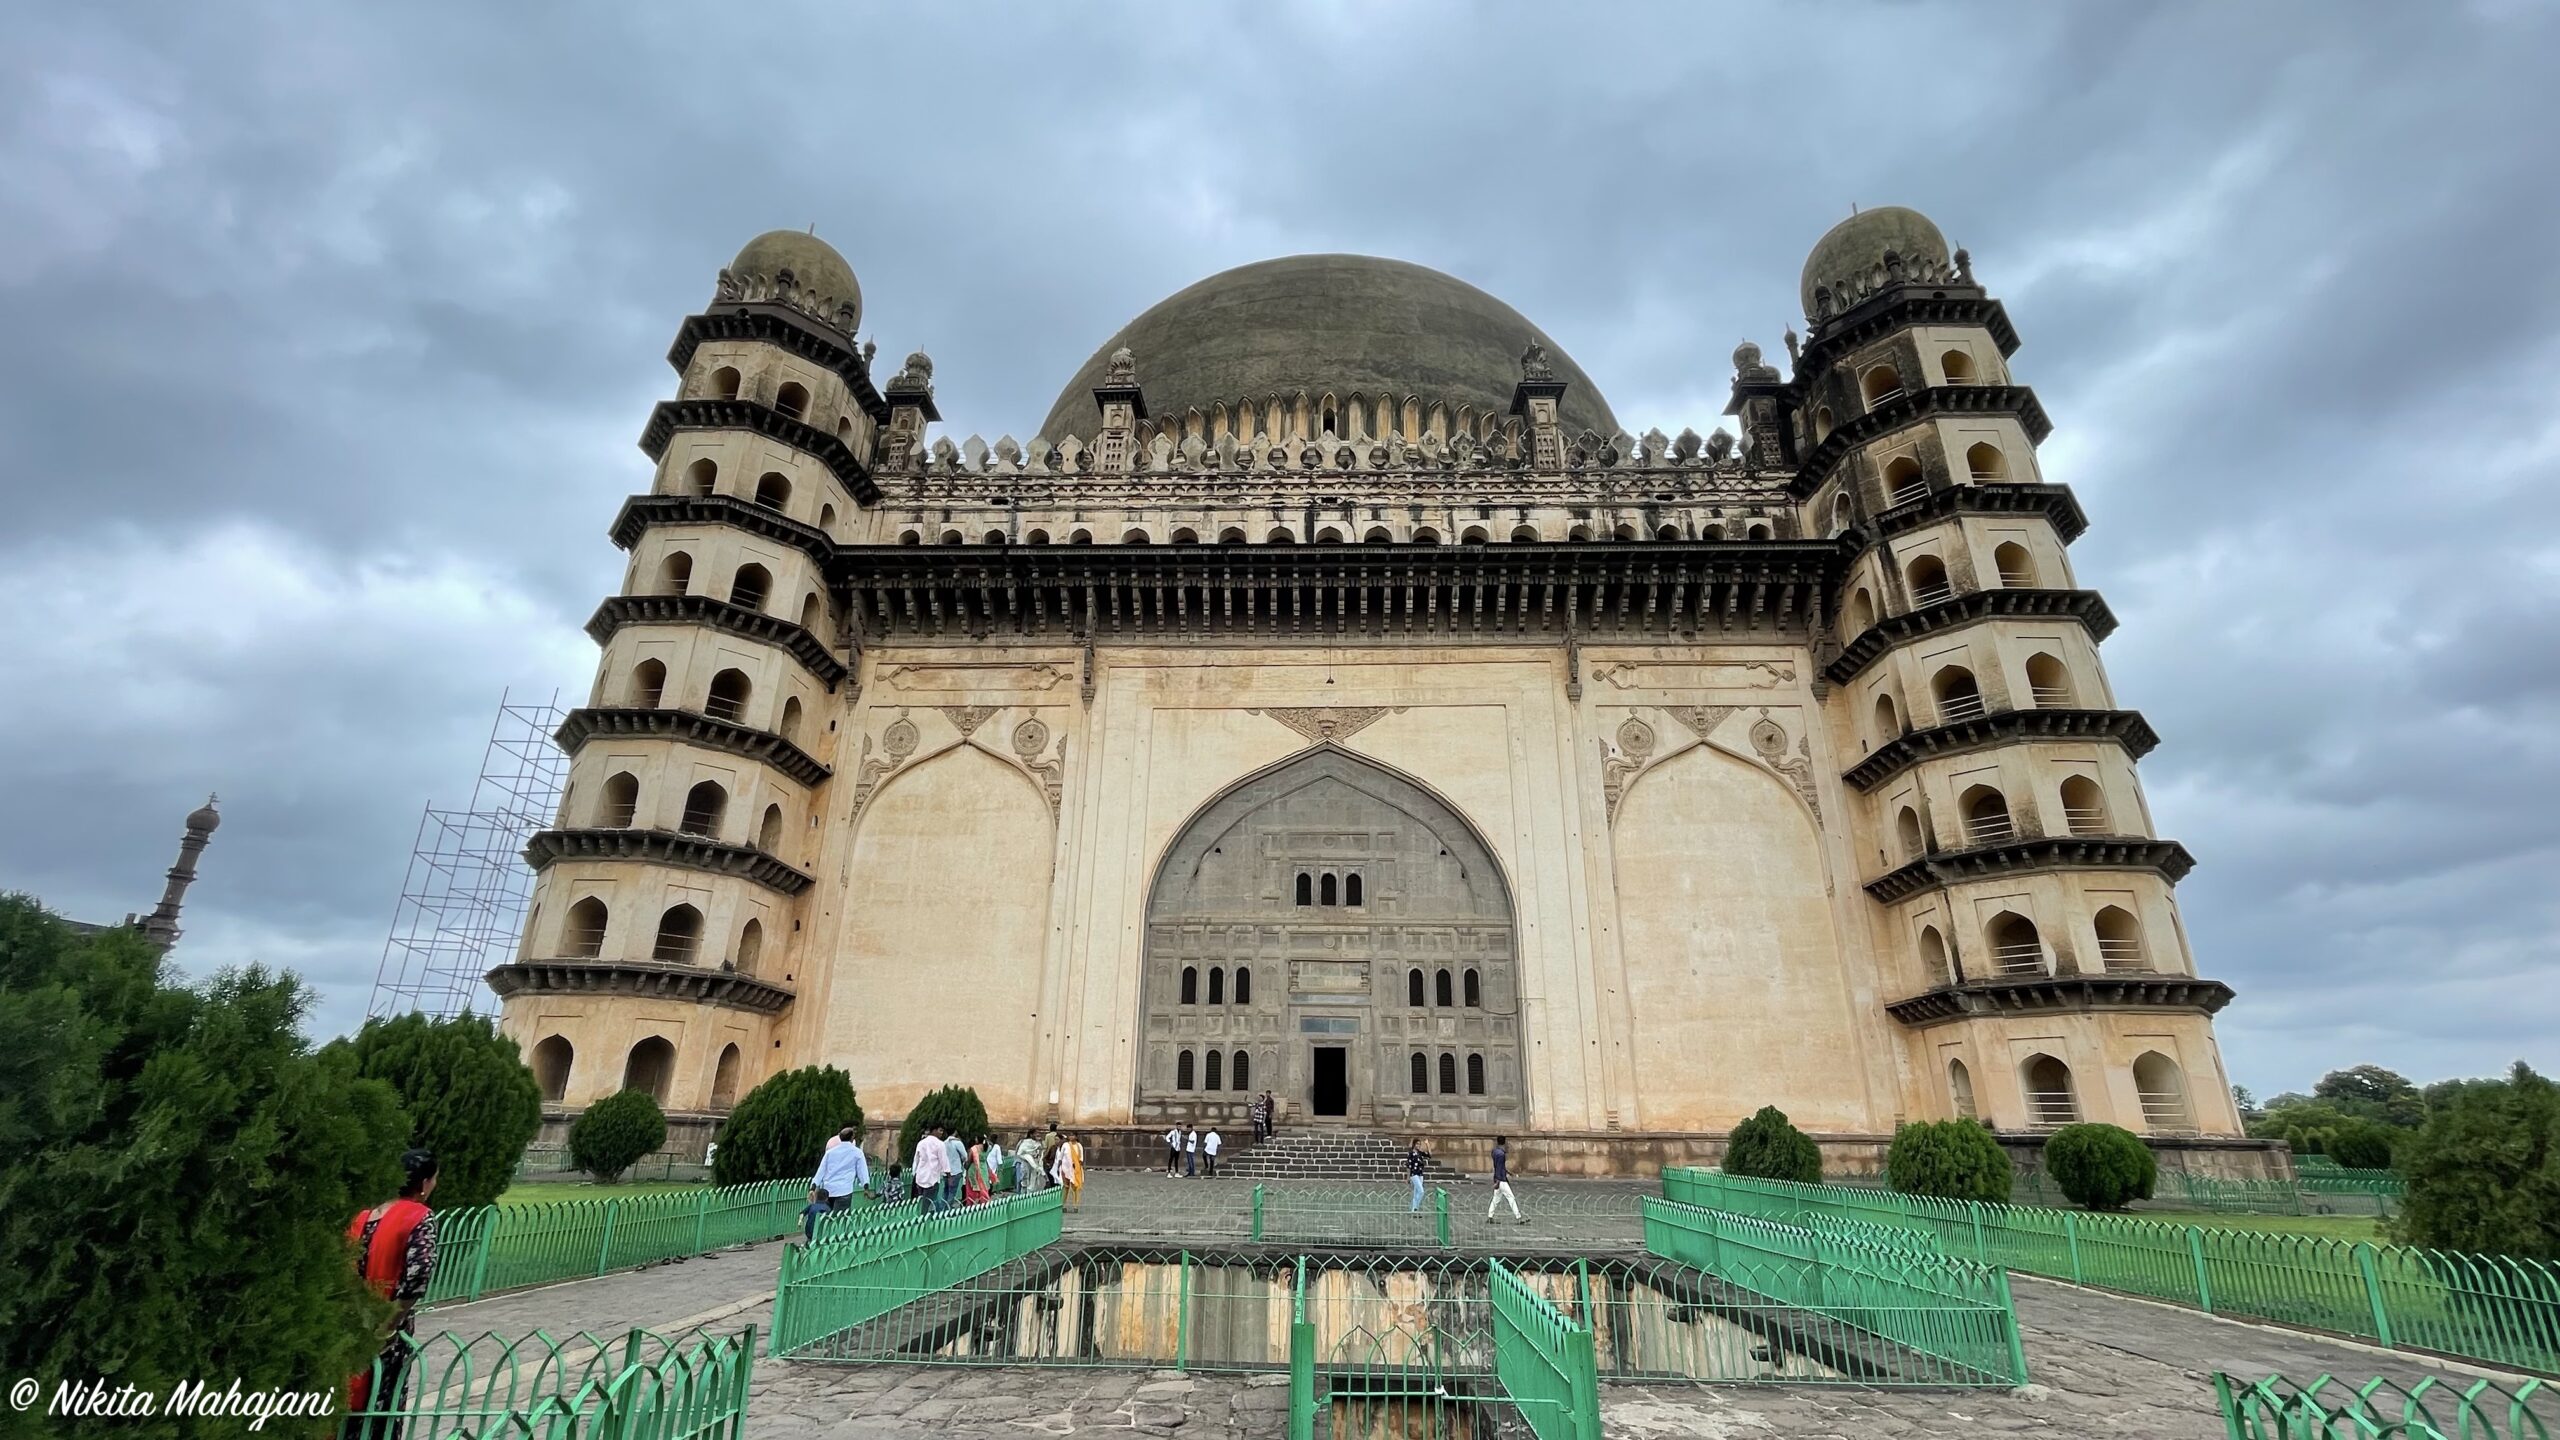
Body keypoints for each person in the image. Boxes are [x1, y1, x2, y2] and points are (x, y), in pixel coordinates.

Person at [344, 1148, 441, 1439]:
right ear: (423, 1184)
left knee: (347, 1400)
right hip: (387, 1330)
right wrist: (390, 1325)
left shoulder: (362, 1217)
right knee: (381, 1403)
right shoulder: (418, 1217)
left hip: (350, 1324)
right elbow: (417, 1276)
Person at [808, 1125, 868, 1238]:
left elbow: (821, 1170)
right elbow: (862, 1171)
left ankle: (820, 1238)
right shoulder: (856, 1152)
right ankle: (835, 1239)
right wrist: (865, 1186)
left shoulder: (830, 1152)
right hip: (844, 1190)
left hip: (828, 1190)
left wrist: (813, 1187)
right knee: (840, 1219)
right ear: (852, 1138)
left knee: (825, 1217)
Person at [911, 1124, 950, 1216]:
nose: (941, 1133)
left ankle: (919, 1216)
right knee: (928, 1201)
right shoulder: (940, 1144)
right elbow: (943, 1160)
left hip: (920, 1176)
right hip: (933, 1177)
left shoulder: (921, 1143)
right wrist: (948, 1173)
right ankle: (923, 1218)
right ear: (934, 1131)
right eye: (940, 1130)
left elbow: (916, 1159)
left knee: (920, 1200)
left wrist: (914, 1172)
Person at [1487, 1136, 1521, 1223]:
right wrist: (1498, 1181)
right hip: (1501, 1180)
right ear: (1504, 1143)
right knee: (1510, 1197)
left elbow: (1499, 1166)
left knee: (1496, 1198)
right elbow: (1499, 1168)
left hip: (1498, 1178)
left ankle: (1490, 1216)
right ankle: (1518, 1217)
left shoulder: (1495, 1152)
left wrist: (1508, 1172)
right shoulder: (1501, 1154)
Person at [1050, 1131, 1086, 1209]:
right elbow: (1061, 1157)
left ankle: (1075, 1205)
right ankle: (1063, 1205)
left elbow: (1081, 1158)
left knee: (1075, 1187)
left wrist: (1077, 1165)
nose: (1071, 1137)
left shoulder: (1079, 1146)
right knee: (1065, 1187)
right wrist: (1058, 1168)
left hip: (1075, 1169)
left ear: (1076, 1137)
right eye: (1070, 1135)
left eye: (1073, 1135)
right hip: (1065, 1169)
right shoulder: (1065, 1145)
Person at [942, 1127, 968, 1212]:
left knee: (945, 1191)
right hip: (955, 1170)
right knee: (952, 1192)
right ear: (955, 1132)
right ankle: (948, 1210)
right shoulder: (957, 1143)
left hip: (946, 1171)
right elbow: (965, 1156)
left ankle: (942, 1209)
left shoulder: (944, 1143)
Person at [962, 1139, 993, 1206]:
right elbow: (990, 1143)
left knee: (972, 1191)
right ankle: (984, 1204)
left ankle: (971, 1206)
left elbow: (969, 1162)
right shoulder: (988, 1147)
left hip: (974, 1170)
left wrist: (965, 1166)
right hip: (984, 1170)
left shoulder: (974, 1148)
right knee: (983, 1188)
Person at [1405, 1139, 1428, 1212]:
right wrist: (1408, 1177)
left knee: (1416, 1192)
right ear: (1414, 1144)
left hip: (1420, 1174)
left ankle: (1413, 1209)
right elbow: (1408, 1166)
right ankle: (1415, 1207)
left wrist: (1427, 1144)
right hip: (1414, 1174)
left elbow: (1429, 1155)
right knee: (1421, 1191)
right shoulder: (1411, 1153)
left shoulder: (1420, 1153)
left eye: (1419, 1144)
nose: (1418, 1145)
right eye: (1417, 1144)